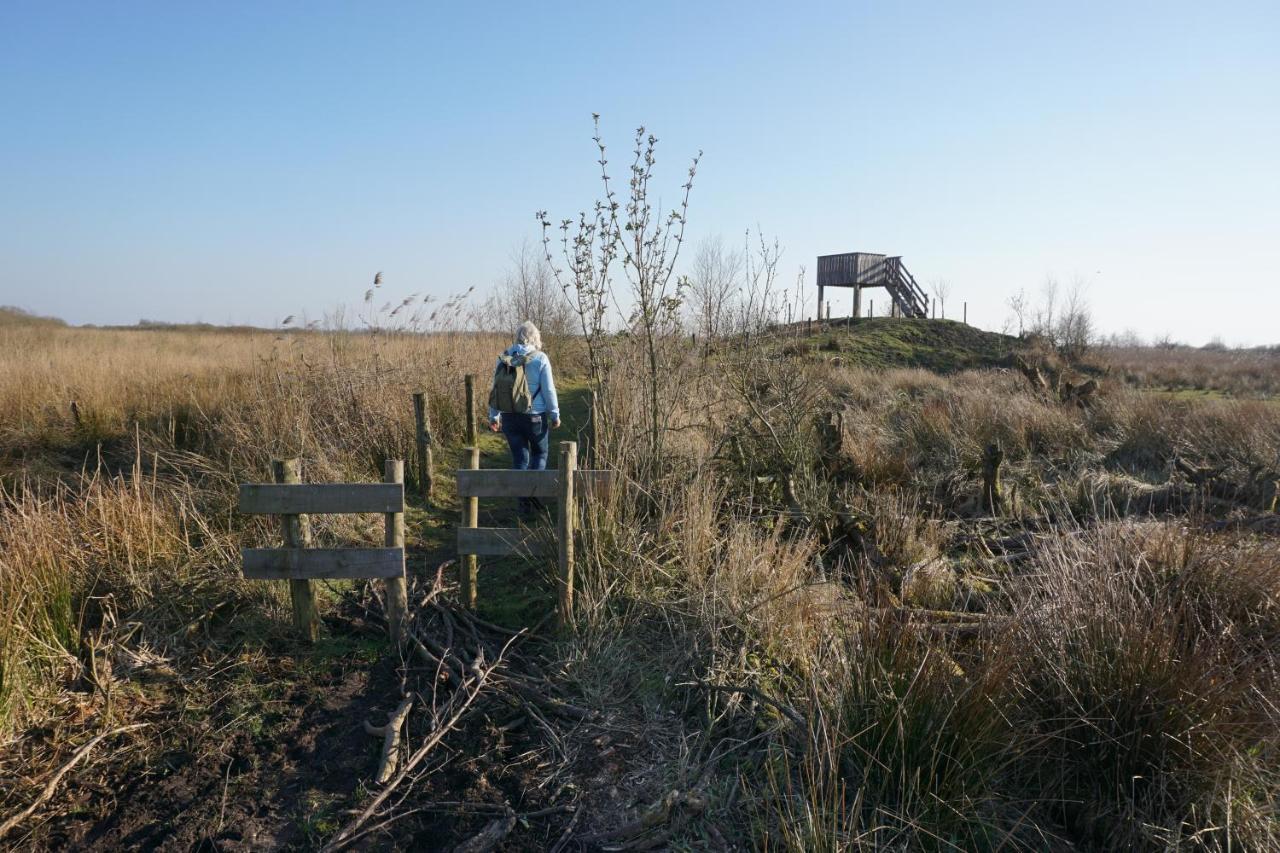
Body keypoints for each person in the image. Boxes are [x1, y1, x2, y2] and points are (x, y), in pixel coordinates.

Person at [487, 321, 560, 513]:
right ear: (535, 338)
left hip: (510, 416)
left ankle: (523, 502)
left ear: (517, 336)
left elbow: (496, 389)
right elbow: (548, 390)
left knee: (520, 459)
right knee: (540, 454)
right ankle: (534, 495)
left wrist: (494, 417)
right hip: (535, 417)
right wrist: (554, 414)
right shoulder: (540, 358)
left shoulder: (505, 357)